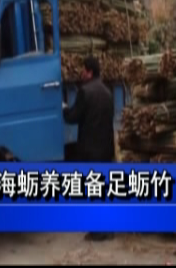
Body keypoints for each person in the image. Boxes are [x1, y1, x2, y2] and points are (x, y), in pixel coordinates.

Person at [62, 55, 115, 242]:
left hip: (90, 149)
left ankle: (98, 232)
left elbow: (74, 117)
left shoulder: (85, 92)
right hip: (106, 148)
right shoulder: (108, 91)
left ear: (90, 72)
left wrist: (64, 109)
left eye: (84, 70)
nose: (81, 73)